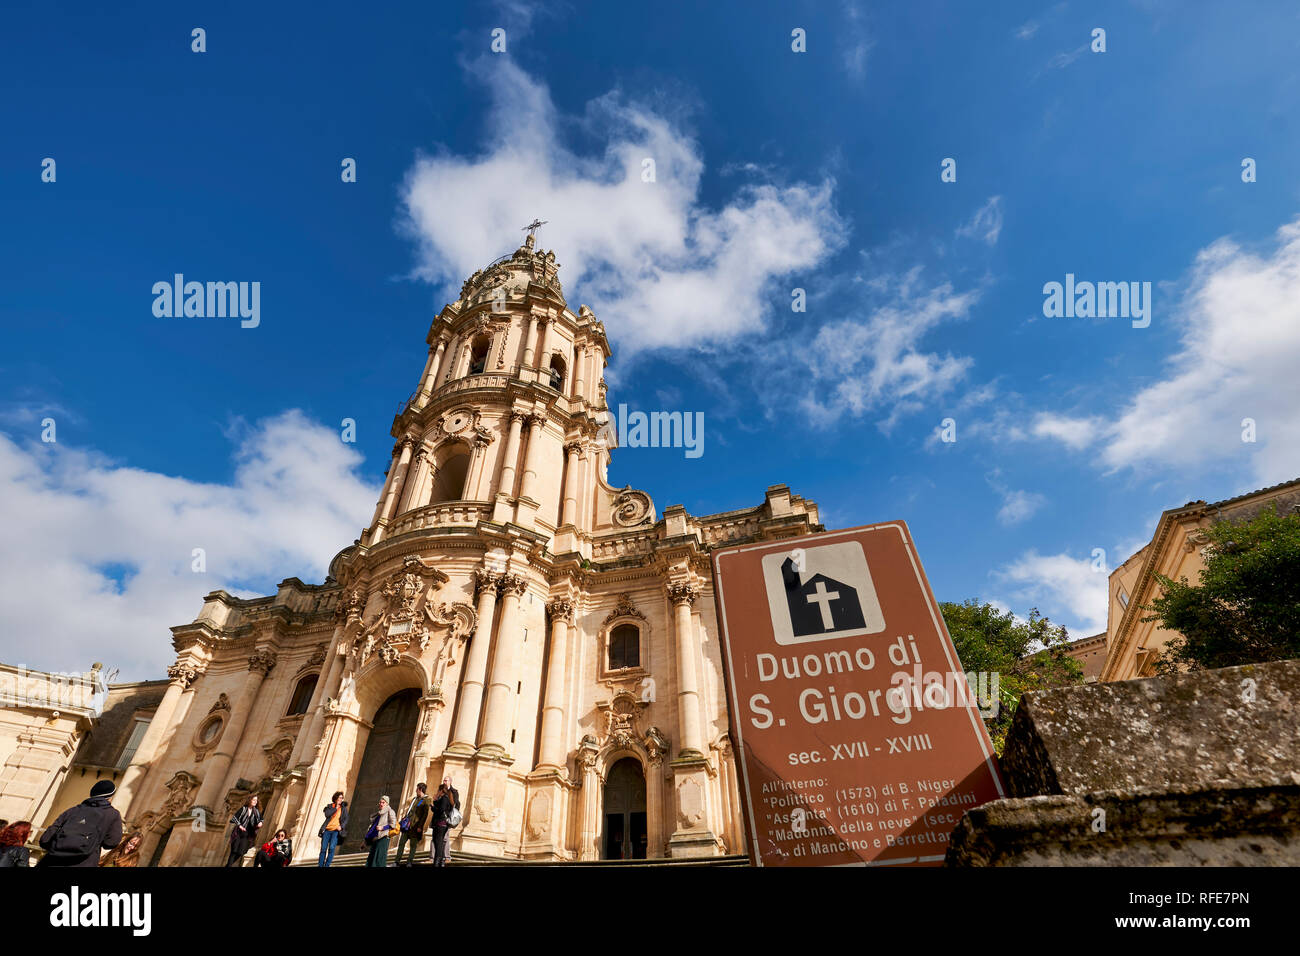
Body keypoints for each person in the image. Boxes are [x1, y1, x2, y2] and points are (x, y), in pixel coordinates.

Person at [38, 779, 123, 867]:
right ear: (110, 797)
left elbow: (45, 839)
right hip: (86, 862)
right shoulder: (112, 814)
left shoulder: (73, 810)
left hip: (52, 861)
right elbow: (111, 843)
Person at [394, 783, 429, 867]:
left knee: (413, 845)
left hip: (416, 827)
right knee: (401, 843)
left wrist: (420, 826)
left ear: (420, 789)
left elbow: (425, 815)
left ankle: (409, 862)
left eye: (417, 789)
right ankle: (396, 861)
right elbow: (410, 811)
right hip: (407, 826)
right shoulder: (414, 799)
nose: (416, 790)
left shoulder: (426, 800)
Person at [428, 776, 460, 867]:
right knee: (438, 840)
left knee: (442, 840)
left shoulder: (453, 793)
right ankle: (437, 858)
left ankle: (443, 858)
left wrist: (452, 817)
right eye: (444, 780)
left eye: (446, 780)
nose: (444, 782)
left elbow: (456, 805)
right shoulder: (443, 796)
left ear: (450, 782)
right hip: (439, 821)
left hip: (444, 821)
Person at [225, 795, 263, 867]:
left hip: (247, 835)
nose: (255, 801)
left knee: (241, 852)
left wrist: (260, 823)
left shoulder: (256, 812)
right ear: (249, 800)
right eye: (253, 800)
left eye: (256, 800)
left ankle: (227, 865)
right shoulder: (243, 809)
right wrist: (240, 826)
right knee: (234, 851)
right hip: (238, 833)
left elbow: (261, 819)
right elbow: (235, 818)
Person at [364, 795, 397, 867]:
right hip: (375, 839)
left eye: (383, 802)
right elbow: (372, 827)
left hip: (383, 838)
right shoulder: (379, 813)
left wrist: (383, 828)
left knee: (379, 861)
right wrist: (366, 841)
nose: (381, 804)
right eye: (380, 802)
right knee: (371, 861)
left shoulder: (390, 811)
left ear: (387, 804)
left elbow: (393, 824)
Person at [317, 791, 348, 867]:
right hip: (327, 830)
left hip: (336, 831)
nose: (341, 799)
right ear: (336, 798)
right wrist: (335, 808)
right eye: (340, 797)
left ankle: (327, 865)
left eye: (342, 798)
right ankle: (320, 865)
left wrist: (341, 826)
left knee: (331, 848)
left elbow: (346, 818)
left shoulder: (343, 808)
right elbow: (327, 814)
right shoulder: (330, 806)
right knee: (323, 849)